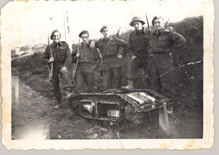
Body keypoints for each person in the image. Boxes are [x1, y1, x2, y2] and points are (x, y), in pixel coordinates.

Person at [148, 16, 186, 104]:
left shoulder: (169, 33)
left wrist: (172, 51)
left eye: (158, 22)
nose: (156, 24)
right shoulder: (153, 35)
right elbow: (150, 46)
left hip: (164, 60)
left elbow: (182, 41)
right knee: (155, 83)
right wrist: (150, 53)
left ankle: (169, 106)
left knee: (167, 84)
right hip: (154, 61)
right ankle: (158, 105)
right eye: (155, 23)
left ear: (163, 23)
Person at [42, 30, 72, 109]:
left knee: (64, 73)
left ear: (60, 36)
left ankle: (68, 91)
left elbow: (69, 57)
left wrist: (65, 66)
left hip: (62, 65)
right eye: (54, 36)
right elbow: (43, 58)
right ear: (52, 37)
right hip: (53, 66)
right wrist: (49, 60)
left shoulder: (65, 45)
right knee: (55, 85)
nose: (56, 37)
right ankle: (59, 102)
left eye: (57, 35)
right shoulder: (49, 48)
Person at [95, 25, 128, 90]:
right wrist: (99, 56)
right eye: (103, 31)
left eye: (107, 31)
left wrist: (122, 54)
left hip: (115, 61)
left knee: (117, 79)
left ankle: (117, 93)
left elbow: (126, 45)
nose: (105, 32)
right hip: (106, 62)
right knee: (106, 84)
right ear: (101, 33)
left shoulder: (115, 40)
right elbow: (93, 47)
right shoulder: (99, 42)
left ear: (109, 32)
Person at [122, 16, 150, 89]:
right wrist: (132, 55)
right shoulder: (132, 35)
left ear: (142, 24)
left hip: (148, 57)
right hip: (138, 57)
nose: (136, 26)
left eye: (137, 24)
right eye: (134, 24)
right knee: (130, 63)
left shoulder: (149, 32)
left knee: (150, 71)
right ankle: (130, 85)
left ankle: (150, 87)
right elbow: (129, 48)